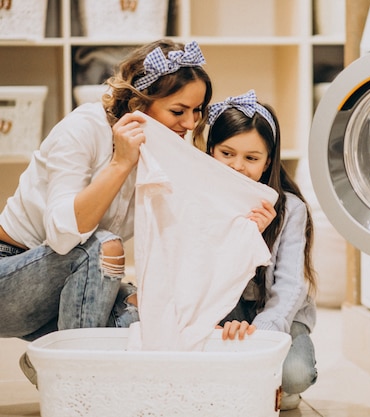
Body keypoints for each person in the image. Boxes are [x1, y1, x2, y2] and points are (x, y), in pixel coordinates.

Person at [0, 39, 215, 386]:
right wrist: (120, 163)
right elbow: (63, 236)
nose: (191, 123)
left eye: (198, 110)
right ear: (138, 104)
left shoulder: (163, 151)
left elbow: (179, 237)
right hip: (10, 273)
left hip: (71, 281)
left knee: (138, 323)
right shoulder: (84, 128)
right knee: (101, 246)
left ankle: (52, 366)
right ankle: (70, 386)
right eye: (179, 111)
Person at [205, 90, 318, 411]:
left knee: (295, 374)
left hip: (278, 314)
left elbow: (291, 285)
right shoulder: (201, 202)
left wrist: (262, 332)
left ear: (268, 161)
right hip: (223, 310)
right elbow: (201, 276)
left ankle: (275, 386)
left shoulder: (290, 209)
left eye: (251, 158)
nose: (237, 166)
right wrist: (245, 237)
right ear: (210, 150)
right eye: (227, 153)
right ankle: (255, 384)